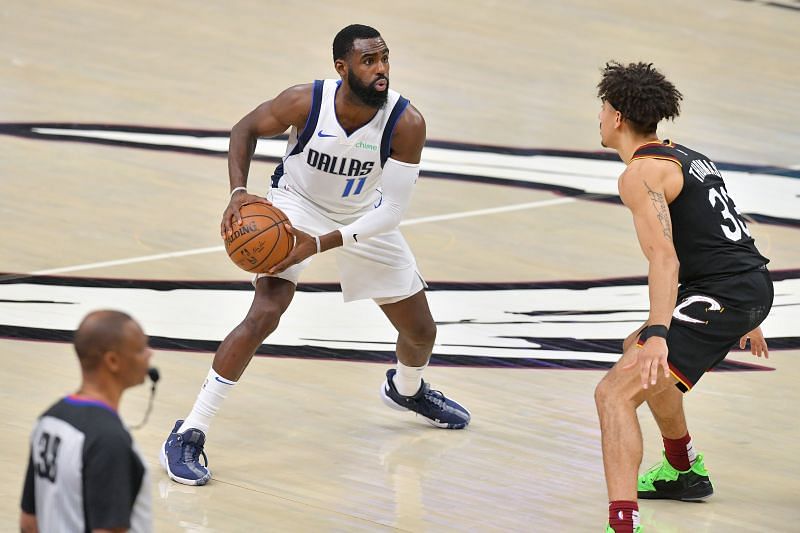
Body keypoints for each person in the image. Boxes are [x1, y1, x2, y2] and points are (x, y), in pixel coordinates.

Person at [161, 24, 470, 486]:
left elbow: (391, 212)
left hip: (364, 217)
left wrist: (324, 242)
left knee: (422, 331)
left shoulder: (407, 123)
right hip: (295, 207)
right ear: (342, 68)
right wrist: (239, 192)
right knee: (265, 312)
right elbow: (244, 128)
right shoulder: (306, 102)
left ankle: (407, 390)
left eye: (384, 58)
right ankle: (190, 431)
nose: (381, 68)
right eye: (369, 61)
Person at [592, 61, 773, 533]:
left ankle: (623, 524)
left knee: (614, 393)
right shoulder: (686, 156)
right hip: (741, 284)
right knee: (635, 352)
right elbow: (722, 231)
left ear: (616, 117)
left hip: (725, 292)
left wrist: (659, 333)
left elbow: (665, 260)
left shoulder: (640, 175)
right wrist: (749, 306)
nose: (600, 117)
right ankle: (683, 470)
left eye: (602, 108)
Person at [20, 310, 154, 533]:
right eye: (140, 349)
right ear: (112, 361)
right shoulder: (109, 441)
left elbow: (28, 523)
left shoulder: (48, 420)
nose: (150, 355)